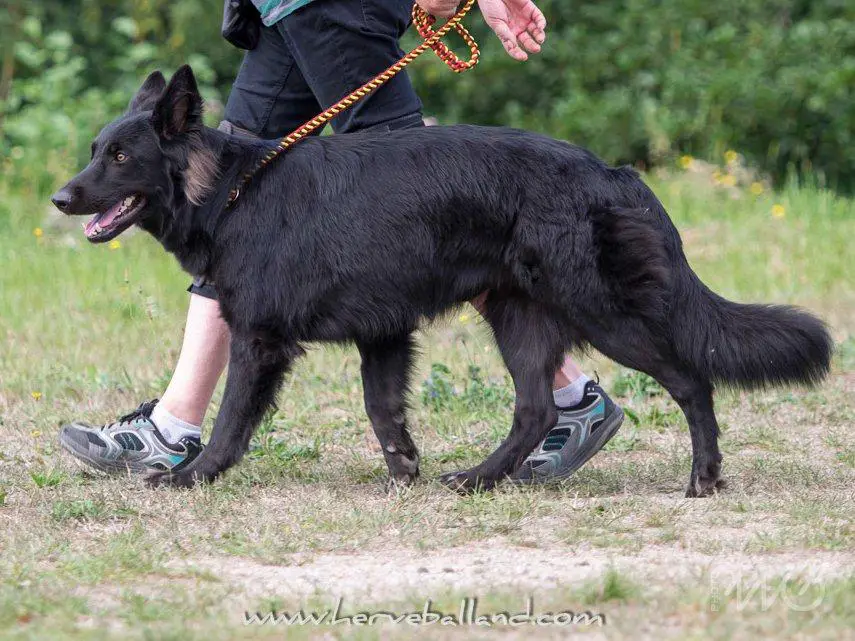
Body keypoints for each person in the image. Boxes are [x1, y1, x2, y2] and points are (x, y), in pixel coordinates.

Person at [58, 0, 624, 483]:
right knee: (226, 207)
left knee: (422, 199)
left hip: (331, 9)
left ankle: (570, 398)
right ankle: (175, 425)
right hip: (282, 9)